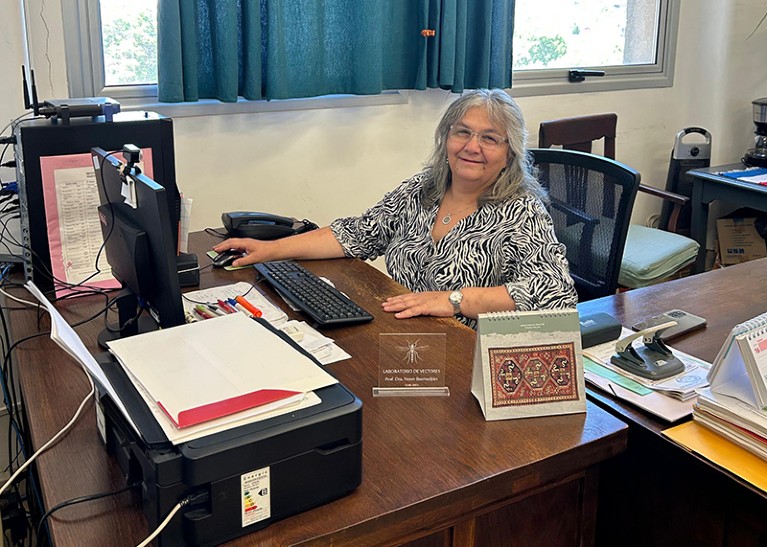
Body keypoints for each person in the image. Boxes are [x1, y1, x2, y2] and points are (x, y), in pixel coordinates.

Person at [214, 88, 577, 326]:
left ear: (510, 153)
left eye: (489, 138)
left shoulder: (521, 212)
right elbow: (359, 234)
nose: (472, 146)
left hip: (471, 356)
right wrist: (269, 250)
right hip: (402, 339)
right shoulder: (423, 189)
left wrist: (452, 300)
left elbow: (555, 291)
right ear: (446, 139)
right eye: (462, 132)